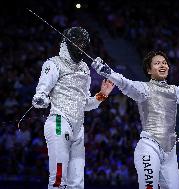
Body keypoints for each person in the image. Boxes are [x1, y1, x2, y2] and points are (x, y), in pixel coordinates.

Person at [92, 51, 179, 189]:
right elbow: (125, 83)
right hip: (149, 148)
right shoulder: (144, 88)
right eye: (157, 63)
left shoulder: (174, 91)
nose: (162, 65)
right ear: (149, 70)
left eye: (164, 63)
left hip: (169, 153)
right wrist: (107, 71)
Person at [32, 27, 114, 189]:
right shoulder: (54, 63)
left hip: (78, 129)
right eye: (77, 42)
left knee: (77, 183)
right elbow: (41, 93)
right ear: (68, 42)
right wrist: (40, 98)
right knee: (58, 179)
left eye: (83, 43)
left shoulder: (85, 68)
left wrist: (101, 95)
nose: (80, 46)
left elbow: (84, 103)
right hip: (58, 123)